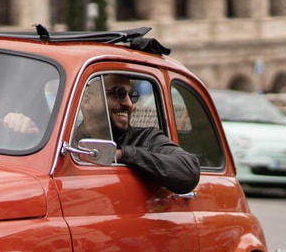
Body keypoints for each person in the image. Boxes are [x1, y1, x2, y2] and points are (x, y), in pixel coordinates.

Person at [69, 73, 200, 194]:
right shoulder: (67, 142)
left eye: (132, 96)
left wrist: (124, 154)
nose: (129, 104)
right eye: (118, 94)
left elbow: (189, 169)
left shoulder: (146, 139)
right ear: (87, 101)